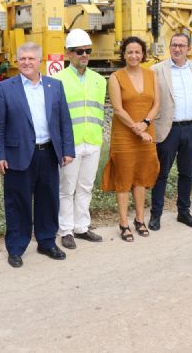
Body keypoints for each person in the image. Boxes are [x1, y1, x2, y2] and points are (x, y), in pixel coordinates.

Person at [0, 42, 75, 268]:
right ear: (17, 61)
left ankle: (47, 241)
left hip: (48, 153)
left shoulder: (54, 86)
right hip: (17, 155)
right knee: (17, 203)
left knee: (48, 200)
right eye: (22, 59)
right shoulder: (5, 89)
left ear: (40, 61)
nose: (26, 62)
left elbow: (64, 121)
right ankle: (16, 247)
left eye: (31, 59)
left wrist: (67, 149)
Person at [101, 36, 160, 241]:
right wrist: (138, 129)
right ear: (123, 54)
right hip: (125, 134)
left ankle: (140, 219)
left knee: (142, 177)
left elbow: (156, 105)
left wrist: (145, 124)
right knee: (124, 178)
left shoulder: (151, 75)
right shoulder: (116, 77)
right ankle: (124, 222)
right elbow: (117, 109)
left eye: (137, 52)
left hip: (146, 132)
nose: (134, 55)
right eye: (130, 52)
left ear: (143, 54)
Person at [52, 29, 106, 249]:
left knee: (86, 187)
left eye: (87, 51)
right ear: (68, 54)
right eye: (79, 51)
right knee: (66, 189)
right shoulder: (57, 80)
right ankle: (65, 230)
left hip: (92, 141)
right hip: (70, 144)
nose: (84, 55)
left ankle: (81, 227)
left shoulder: (99, 80)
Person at [149, 33, 192, 230]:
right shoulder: (156, 70)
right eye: (174, 45)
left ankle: (184, 212)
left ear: (188, 49)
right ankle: (156, 215)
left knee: (186, 173)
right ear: (170, 47)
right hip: (167, 129)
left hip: (190, 127)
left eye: (182, 45)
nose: (177, 49)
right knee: (160, 174)